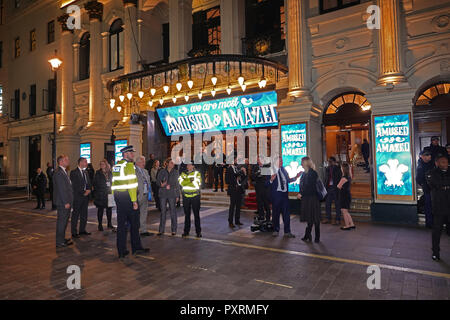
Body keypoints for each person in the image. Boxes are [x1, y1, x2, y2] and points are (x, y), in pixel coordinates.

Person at [112, 146, 149, 260]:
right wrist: (134, 201)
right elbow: (132, 185)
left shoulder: (117, 166)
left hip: (119, 197)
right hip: (128, 197)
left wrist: (115, 197)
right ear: (125, 154)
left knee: (121, 225)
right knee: (134, 223)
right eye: (131, 153)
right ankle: (136, 248)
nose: (133, 155)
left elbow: (114, 182)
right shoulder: (129, 166)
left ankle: (121, 250)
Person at [268, 156, 301, 238]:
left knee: (286, 214)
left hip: (284, 195)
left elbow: (288, 180)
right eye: (280, 161)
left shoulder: (283, 169)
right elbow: (265, 184)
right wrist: (271, 180)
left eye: (282, 161)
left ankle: (287, 231)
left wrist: (296, 177)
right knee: (275, 214)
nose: (282, 162)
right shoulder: (269, 170)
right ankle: (276, 230)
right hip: (276, 196)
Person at [426, 154, 450, 261]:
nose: (446, 164)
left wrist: (444, 186)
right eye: (443, 162)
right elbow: (435, 184)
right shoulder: (431, 173)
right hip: (439, 207)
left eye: (446, 162)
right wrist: (444, 185)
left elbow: (441, 184)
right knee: (437, 231)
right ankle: (435, 252)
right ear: (437, 163)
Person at [297, 157, 321, 243]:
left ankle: (317, 237)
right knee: (309, 217)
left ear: (306, 163)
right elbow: (302, 185)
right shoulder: (304, 173)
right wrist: (301, 192)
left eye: (302, 162)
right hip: (307, 199)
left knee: (315, 218)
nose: (301, 163)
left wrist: (301, 193)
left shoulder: (313, 173)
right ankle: (308, 235)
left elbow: (310, 187)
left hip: (312, 198)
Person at [53, 155, 74, 248]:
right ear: (61, 162)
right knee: (62, 222)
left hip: (65, 201)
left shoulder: (63, 171)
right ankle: (59, 242)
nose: (68, 161)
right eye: (66, 160)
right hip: (62, 202)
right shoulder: (58, 172)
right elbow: (61, 189)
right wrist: (66, 202)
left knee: (64, 222)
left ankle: (62, 239)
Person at [157, 158, 180, 236]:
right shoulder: (162, 171)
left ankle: (174, 230)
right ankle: (161, 230)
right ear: (167, 164)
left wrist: (177, 195)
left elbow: (177, 184)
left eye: (173, 163)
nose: (172, 164)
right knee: (163, 212)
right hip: (163, 194)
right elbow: (157, 181)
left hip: (172, 194)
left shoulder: (176, 172)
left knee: (173, 212)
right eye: (171, 163)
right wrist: (161, 185)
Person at [70, 157, 92, 238]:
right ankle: (74, 232)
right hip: (78, 197)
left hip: (85, 197)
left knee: (84, 214)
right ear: (81, 162)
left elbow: (88, 183)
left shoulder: (85, 172)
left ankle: (82, 230)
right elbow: (75, 186)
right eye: (85, 162)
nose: (87, 163)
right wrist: (84, 192)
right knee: (75, 215)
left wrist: (89, 190)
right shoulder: (74, 172)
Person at [179, 163, 202, 238]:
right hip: (186, 197)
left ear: (193, 166)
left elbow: (197, 184)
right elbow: (181, 183)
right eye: (187, 165)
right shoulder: (183, 173)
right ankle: (186, 231)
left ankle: (198, 232)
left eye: (190, 165)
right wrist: (190, 181)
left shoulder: (197, 173)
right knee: (187, 215)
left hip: (195, 197)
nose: (188, 166)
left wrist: (186, 181)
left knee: (196, 215)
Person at [93, 159, 115, 232]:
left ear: (106, 165)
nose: (101, 165)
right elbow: (95, 183)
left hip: (109, 193)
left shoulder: (109, 173)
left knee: (109, 210)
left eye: (103, 164)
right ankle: (100, 225)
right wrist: (100, 191)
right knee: (100, 210)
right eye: (101, 164)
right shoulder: (98, 173)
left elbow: (112, 181)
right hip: (101, 194)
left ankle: (109, 223)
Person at [226, 158, 248, 228]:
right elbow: (227, 180)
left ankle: (237, 220)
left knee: (238, 206)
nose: (236, 161)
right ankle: (230, 222)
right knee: (232, 206)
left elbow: (243, 178)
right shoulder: (229, 169)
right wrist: (236, 178)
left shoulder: (237, 168)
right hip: (233, 189)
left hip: (239, 189)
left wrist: (244, 173)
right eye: (235, 160)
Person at [416, 150, 435, 228]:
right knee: (429, 205)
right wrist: (424, 185)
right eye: (427, 155)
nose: (429, 156)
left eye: (430, 155)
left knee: (435, 206)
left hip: (436, 188)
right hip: (428, 189)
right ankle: (430, 223)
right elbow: (418, 178)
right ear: (422, 156)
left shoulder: (433, 163)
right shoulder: (420, 166)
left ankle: (434, 222)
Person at [135, 155, 152, 237]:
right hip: (137, 195)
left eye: (144, 162)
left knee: (144, 213)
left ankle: (143, 230)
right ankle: (135, 230)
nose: (144, 163)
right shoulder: (134, 171)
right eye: (142, 162)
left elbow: (148, 182)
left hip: (145, 194)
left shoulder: (145, 171)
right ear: (137, 162)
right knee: (136, 214)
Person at [323, 157, 342, 225]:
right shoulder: (327, 169)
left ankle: (338, 219)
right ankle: (328, 218)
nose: (329, 162)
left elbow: (340, 178)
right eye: (329, 161)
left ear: (334, 162)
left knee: (337, 204)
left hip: (336, 188)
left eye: (330, 161)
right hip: (329, 188)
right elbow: (326, 178)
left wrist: (339, 188)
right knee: (327, 203)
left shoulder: (338, 168)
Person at [251, 157, 271, 221]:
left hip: (265, 189)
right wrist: (258, 173)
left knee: (266, 204)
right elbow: (252, 176)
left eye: (260, 160)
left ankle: (268, 218)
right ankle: (261, 216)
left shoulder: (266, 167)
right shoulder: (255, 167)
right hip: (258, 188)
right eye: (258, 160)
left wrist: (260, 174)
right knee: (259, 203)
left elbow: (267, 178)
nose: (259, 161)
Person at [338, 163, 355, 230]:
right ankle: (352, 224)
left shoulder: (344, 178)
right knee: (346, 211)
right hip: (347, 195)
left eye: (341, 168)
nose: (341, 169)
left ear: (343, 169)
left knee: (344, 211)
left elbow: (338, 186)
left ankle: (347, 225)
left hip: (344, 195)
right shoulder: (349, 177)